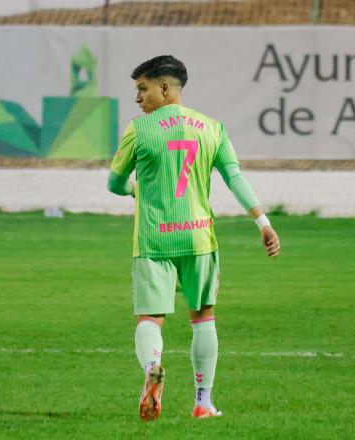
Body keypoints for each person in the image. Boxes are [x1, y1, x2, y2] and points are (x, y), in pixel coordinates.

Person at [107, 55, 280, 421]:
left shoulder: (140, 129)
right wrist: (262, 222)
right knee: (203, 319)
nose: (138, 98)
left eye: (143, 88)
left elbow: (113, 183)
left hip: (154, 240)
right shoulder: (212, 128)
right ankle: (203, 402)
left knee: (149, 319)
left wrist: (133, 190)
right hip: (199, 239)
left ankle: (153, 368)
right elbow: (235, 178)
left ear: (164, 88)